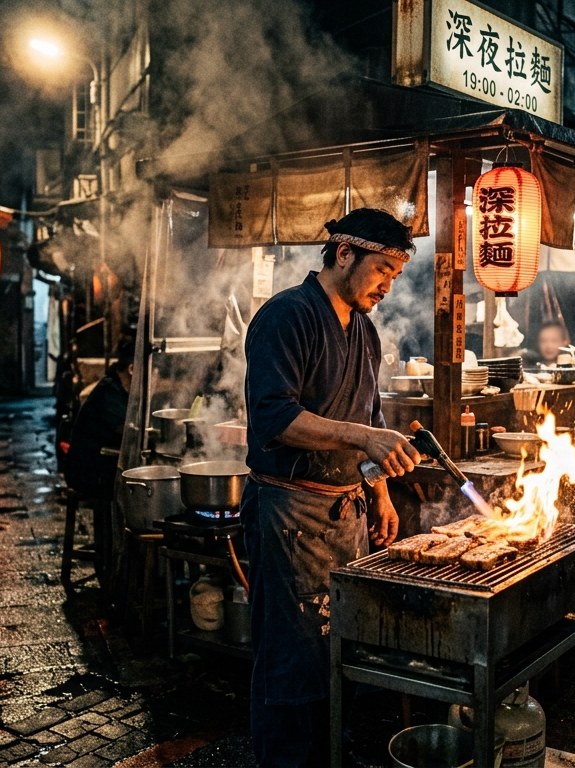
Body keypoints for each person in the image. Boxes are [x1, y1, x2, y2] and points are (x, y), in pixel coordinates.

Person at [242, 208, 420, 766]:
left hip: (346, 516)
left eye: (396, 275)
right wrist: (363, 438)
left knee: (337, 646)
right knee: (292, 654)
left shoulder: (364, 332)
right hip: (290, 514)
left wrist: (380, 494)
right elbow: (274, 417)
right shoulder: (285, 316)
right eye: (382, 269)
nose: (388, 285)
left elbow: (368, 414)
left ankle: (328, 751)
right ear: (344, 253)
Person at [64, 340, 135, 498]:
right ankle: (111, 523)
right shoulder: (110, 391)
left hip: (97, 466)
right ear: (131, 369)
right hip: (86, 472)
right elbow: (126, 429)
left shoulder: (119, 388)